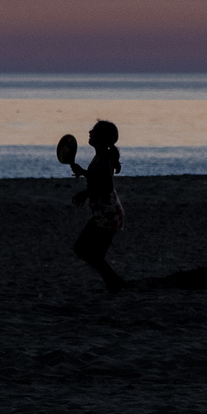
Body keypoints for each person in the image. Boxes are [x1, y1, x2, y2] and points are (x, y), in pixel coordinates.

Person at [68, 119, 128, 292]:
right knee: (92, 254)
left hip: (108, 214)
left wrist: (86, 193)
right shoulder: (101, 156)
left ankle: (115, 283)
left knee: (82, 249)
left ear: (101, 137)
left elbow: (106, 186)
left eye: (93, 130)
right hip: (107, 214)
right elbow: (99, 178)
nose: (89, 132)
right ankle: (114, 283)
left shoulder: (104, 159)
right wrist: (83, 172)